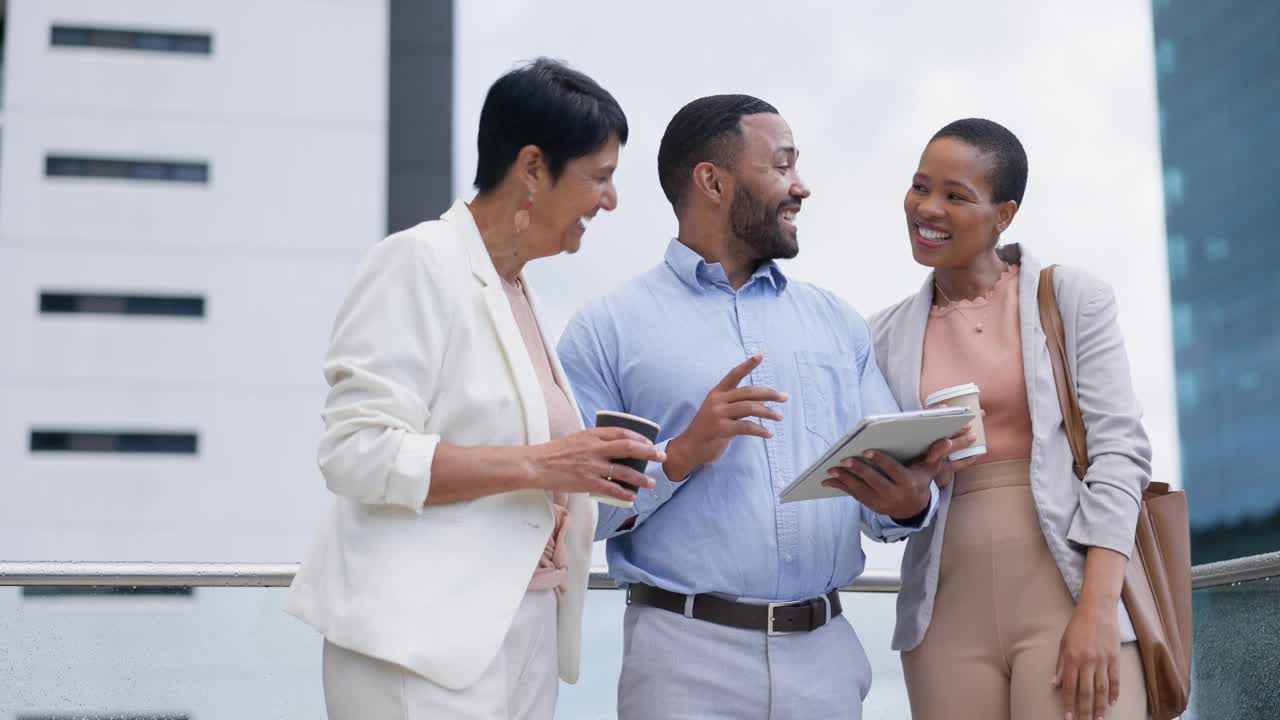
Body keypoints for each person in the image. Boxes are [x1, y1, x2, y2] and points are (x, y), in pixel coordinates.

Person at [557, 94, 965, 720]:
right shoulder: (606, 331)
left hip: (826, 659)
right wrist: (681, 457)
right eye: (780, 167)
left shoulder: (836, 322)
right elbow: (582, 515)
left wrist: (910, 501)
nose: (800, 188)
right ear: (713, 181)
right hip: (683, 662)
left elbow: (891, 493)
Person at [286, 58, 664, 720]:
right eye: (600, 178)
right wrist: (545, 462)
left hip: (524, 634)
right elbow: (355, 451)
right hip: (418, 648)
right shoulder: (418, 262)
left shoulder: (519, 289)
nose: (611, 201)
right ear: (531, 168)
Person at [865, 118, 1152, 720]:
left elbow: (1119, 453)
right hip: (944, 615)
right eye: (920, 187)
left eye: (955, 195)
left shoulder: (1069, 296)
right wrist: (902, 494)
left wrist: (1098, 609)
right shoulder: (882, 335)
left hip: (1069, 593)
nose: (927, 208)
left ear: (1004, 215)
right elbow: (882, 505)